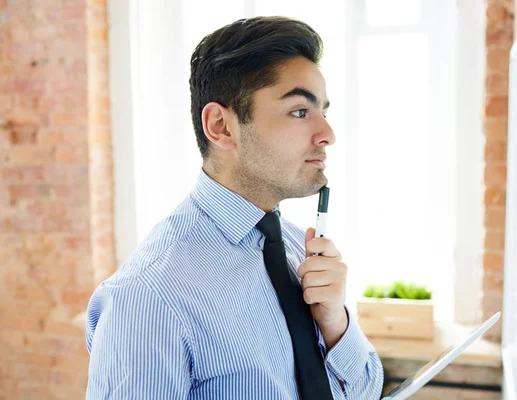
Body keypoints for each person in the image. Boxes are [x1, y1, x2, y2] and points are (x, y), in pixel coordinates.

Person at [86, 16, 384, 399]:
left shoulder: (298, 251)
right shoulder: (149, 297)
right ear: (221, 127)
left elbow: (366, 390)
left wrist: (335, 323)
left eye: (323, 111)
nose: (327, 134)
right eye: (299, 111)